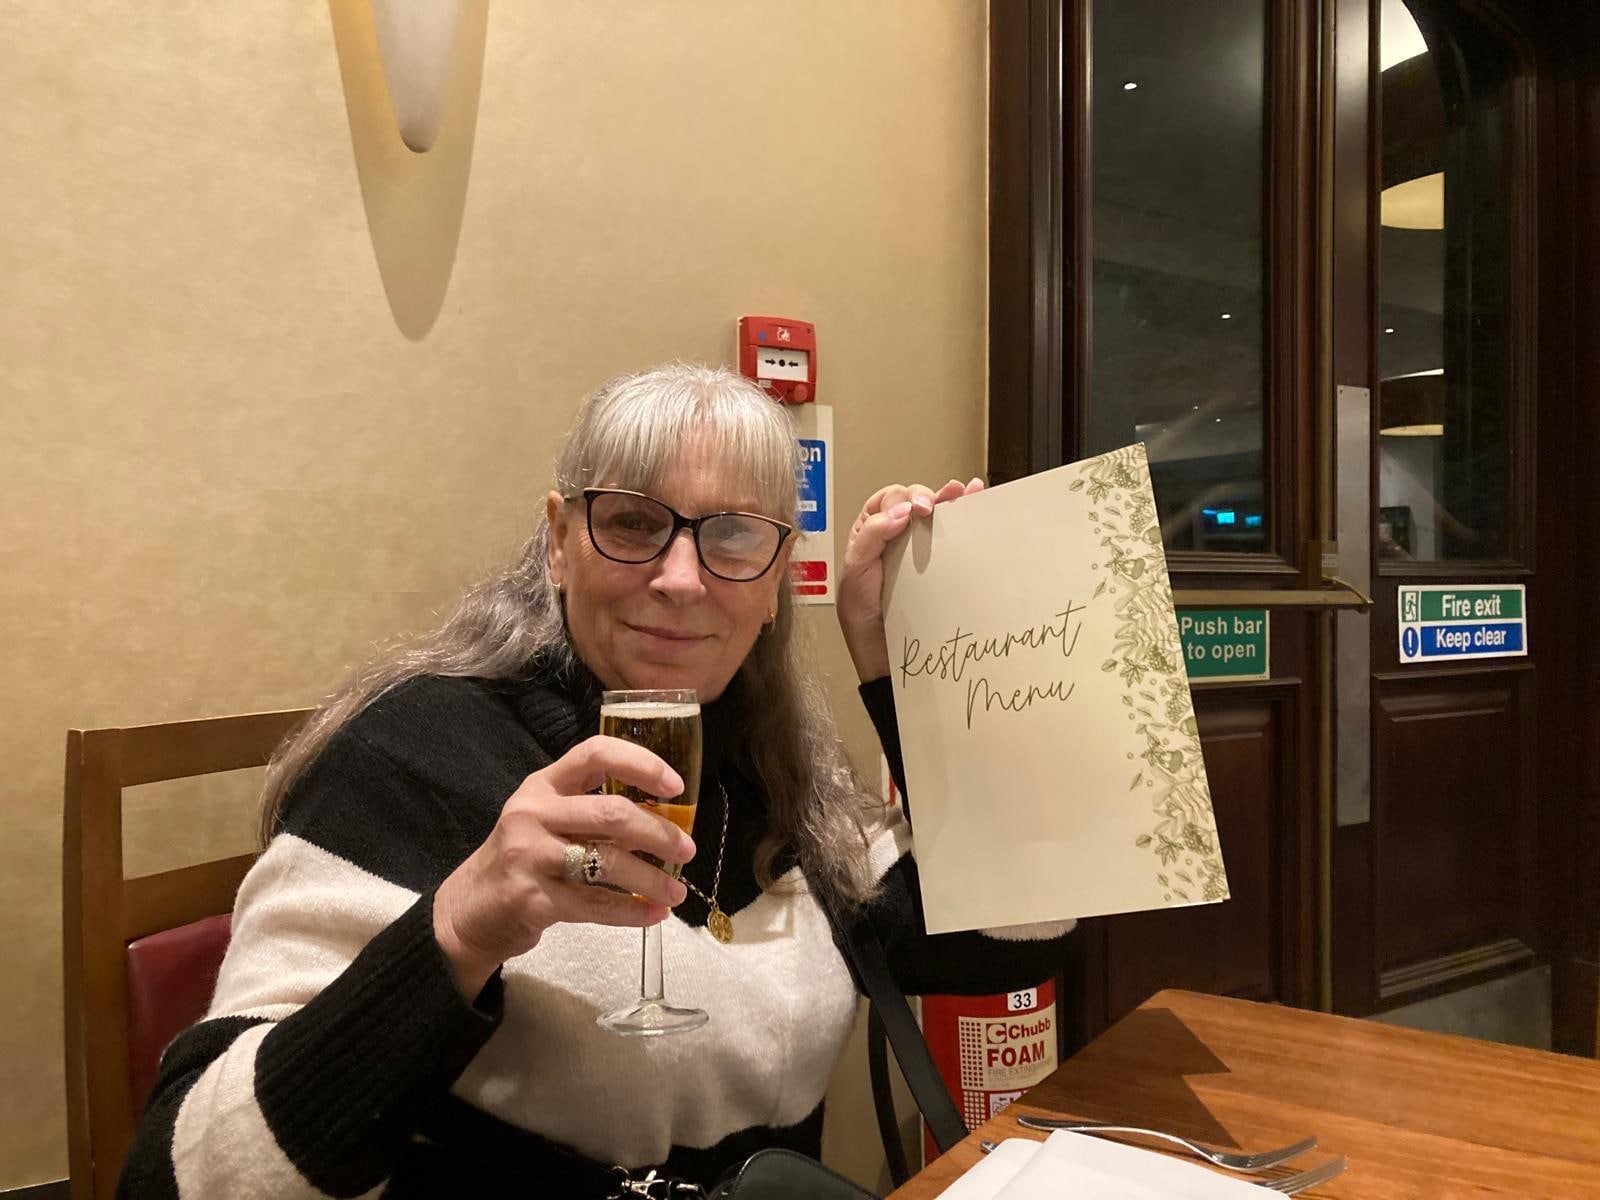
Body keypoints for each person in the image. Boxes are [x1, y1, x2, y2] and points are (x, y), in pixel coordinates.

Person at [118, 364, 1071, 1198]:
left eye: (734, 536)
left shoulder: (777, 772)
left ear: (778, 571)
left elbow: (1008, 944)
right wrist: (464, 926)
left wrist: (903, 658)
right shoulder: (414, 753)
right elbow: (182, 1178)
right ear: (559, 540)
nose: (682, 578)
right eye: (632, 524)